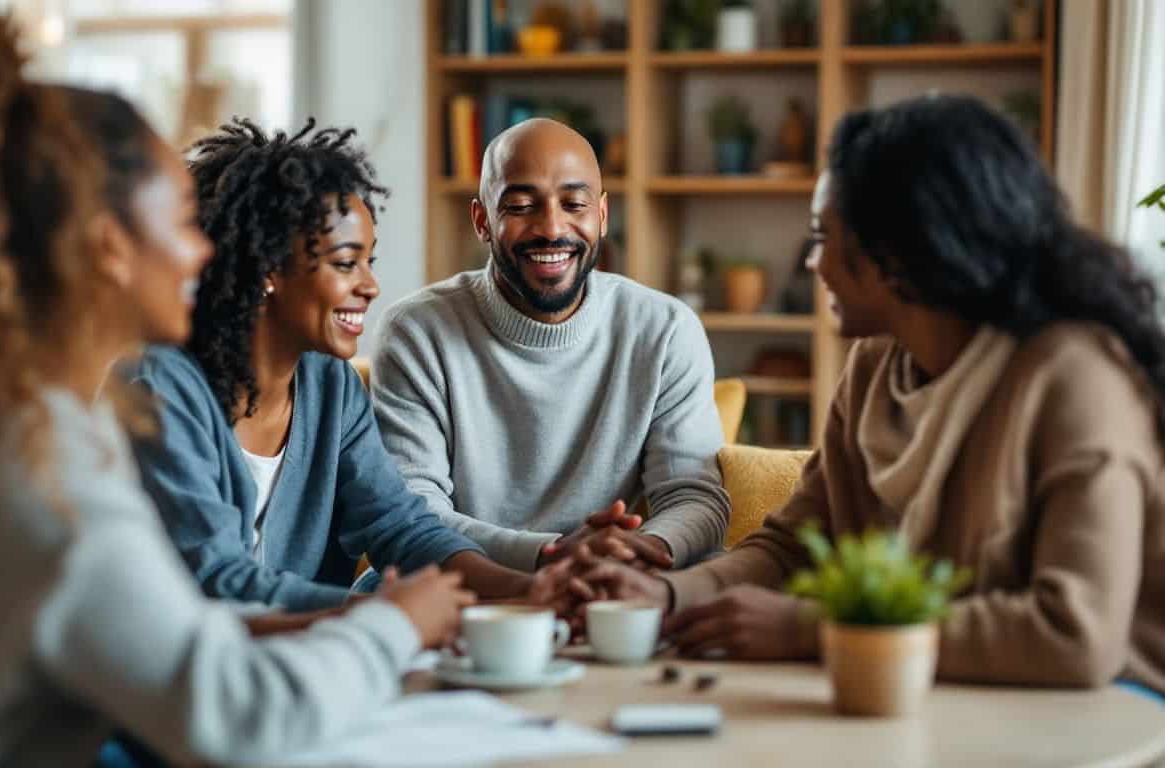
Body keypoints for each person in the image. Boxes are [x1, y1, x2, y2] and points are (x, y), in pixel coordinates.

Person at [0, 15, 473, 767]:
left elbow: (161, 642)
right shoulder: (46, 471)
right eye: (183, 223)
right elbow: (240, 719)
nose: (205, 250)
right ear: (109, 248)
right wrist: (389, 624)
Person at [562, 95, 1165, 694]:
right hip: (943, 690)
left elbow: (1074, 637)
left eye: (824, 237)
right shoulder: (877, 364)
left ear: (900, 250)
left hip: (1115, 706)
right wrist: (666, 593)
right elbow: (795, 547)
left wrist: (810, 629)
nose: (812, 263)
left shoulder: (1075, 377)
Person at [129, 118, 544, 613]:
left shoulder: (331, 387)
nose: (370, 287)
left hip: (305, 657)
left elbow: (400, 528)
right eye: (347, 264)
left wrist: (528, 587)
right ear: (268, 269)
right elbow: (215, 579)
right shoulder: (159, 389)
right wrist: (386, 614)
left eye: (369, 262)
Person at [369, 117, 732, 574]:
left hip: (621, 577)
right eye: (521, 206)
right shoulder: (416, 332)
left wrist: (639, 552)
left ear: (601, 216)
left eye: (574, 204)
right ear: (482, 220)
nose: (551, 228)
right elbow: (411, 513)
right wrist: (552, 556)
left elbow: (693, 496)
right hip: (467, 584)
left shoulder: (664, 330)